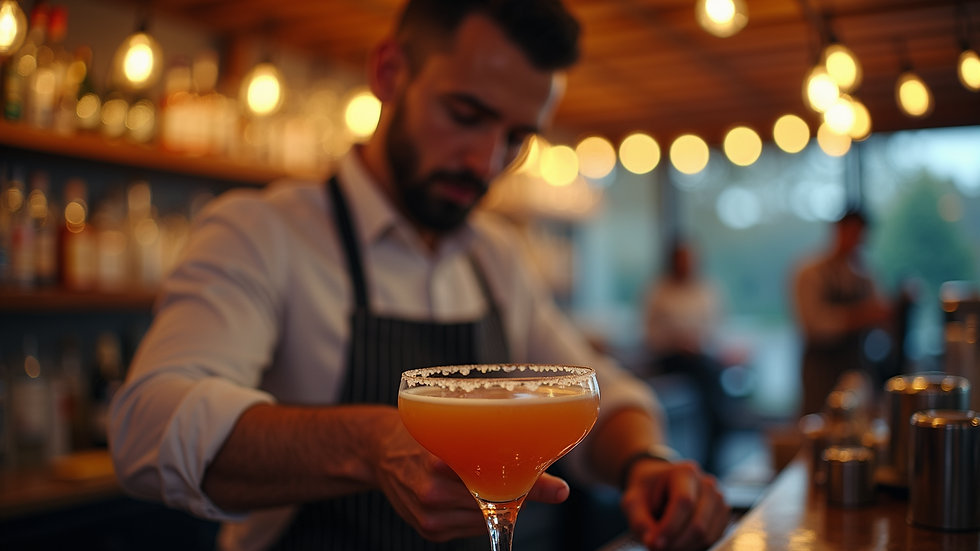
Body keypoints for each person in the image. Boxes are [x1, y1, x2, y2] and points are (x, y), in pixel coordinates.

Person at [109, 2, 729, 550]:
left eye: (516, 137)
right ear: (389, 74)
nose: (487, 161)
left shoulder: (497, 255)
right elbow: (149, 424)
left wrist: (646, 462)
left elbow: (591, 391)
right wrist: (371, 442)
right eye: (466, 114)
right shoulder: (261, 232)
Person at [793, 209, 892, 416]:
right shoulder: (811, 272)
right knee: (819, 422)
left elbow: (881, 321)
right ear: (837, 231)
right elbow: (815, 325)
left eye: (860, 235)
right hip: (821, 369)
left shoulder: (865, 275)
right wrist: (864, 315)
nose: (855, 241)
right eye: (851, 233)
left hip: (857, 365)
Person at [644, 240, 725, 474]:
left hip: (700, 354)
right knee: (708, 374)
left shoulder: (707, 291)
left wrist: (697, 341)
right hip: (670, 357)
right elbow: (650, 332)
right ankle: (720, 425)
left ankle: (717, 431)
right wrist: (677, 341)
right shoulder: (658, 292)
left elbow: (716, 327)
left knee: (710, 371)